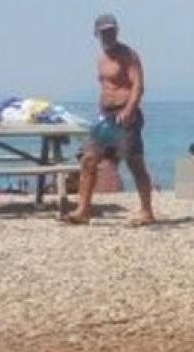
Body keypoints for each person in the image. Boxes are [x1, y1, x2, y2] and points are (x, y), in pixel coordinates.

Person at [61, 14, 155, 226]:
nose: (109, 34)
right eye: (104, 31)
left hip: (125, 115)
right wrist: (101, 112)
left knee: (134, 163)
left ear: (117, 31)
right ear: (97, 33)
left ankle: (147, 211)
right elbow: (106, 88)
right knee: (88, 159)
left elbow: (137, 86)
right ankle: (82, 210)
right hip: (106, 117)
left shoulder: (128, 55)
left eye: (112, 30)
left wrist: (130, 109)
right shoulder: (101, 58)